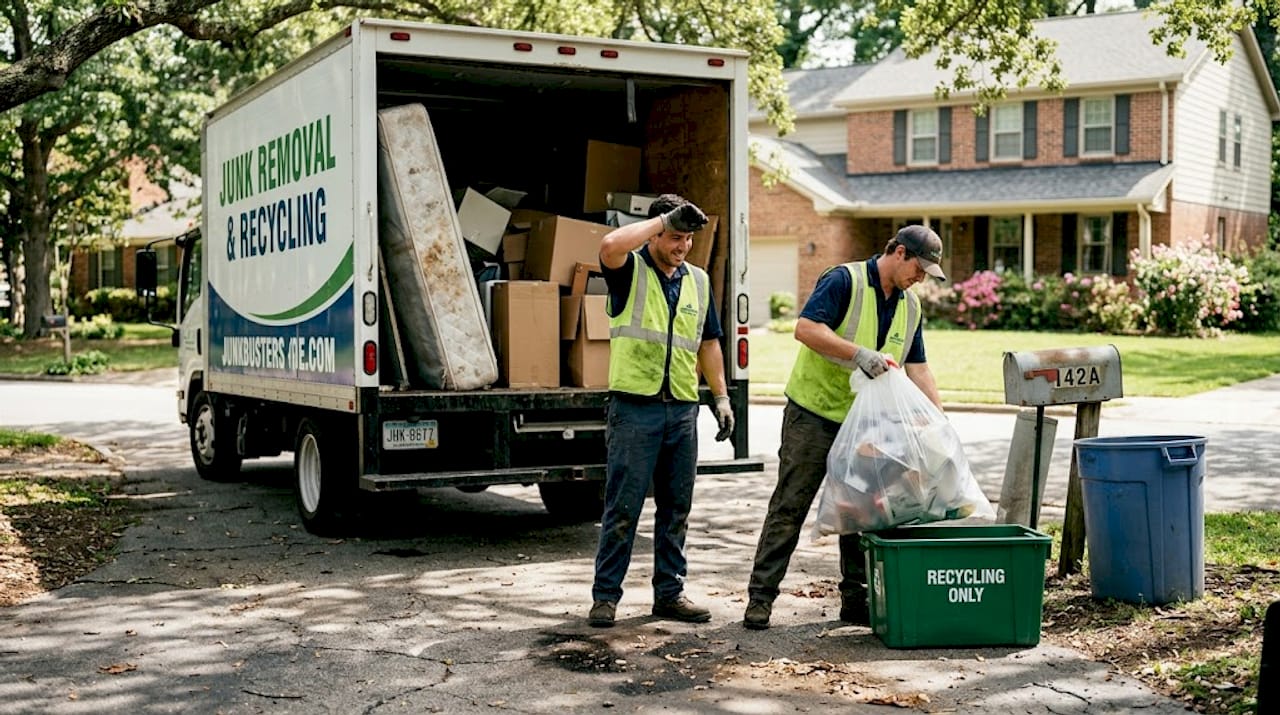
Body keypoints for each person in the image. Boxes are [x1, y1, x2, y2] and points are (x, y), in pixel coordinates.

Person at [742, 224, 945, 630]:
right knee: (790, 505)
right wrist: (859, 354)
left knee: (863, 513)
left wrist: (939, 423)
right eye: (919, 268)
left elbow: (917, 367)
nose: (920, 278)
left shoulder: (910, 306)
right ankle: (761, 599)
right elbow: (806, 329)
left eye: (927, 273)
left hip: (866, 422)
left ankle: (857, 601)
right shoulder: (843, 280)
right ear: (899, 252)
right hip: (813, 414)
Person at [588, 194, 735, 628]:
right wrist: (661, 222)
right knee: (623, 507)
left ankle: (669, 593)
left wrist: (721, 397)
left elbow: (709, 343)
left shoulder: (699, 281)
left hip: (682, 409)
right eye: (674, 236)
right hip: (635, 408)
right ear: (655, 231)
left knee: (676, 506)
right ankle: (606, 597)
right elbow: (609, 246)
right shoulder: (629, 271)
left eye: (688, 238)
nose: (682, 246)